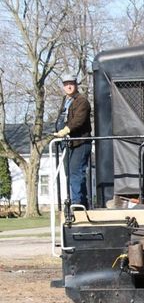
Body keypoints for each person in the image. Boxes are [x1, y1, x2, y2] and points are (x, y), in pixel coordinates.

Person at [54, 74, 92, 206]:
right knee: (69, 174)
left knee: (76, 172)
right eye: (66, 84)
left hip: (81, 142)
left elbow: (78, 120)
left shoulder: (82, 101)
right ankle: (78, 201)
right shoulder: (65, 100)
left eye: (71, 83)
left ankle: (78, 203)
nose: (68, 86)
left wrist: (65, 130)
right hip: (68, 143)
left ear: (76, 85)